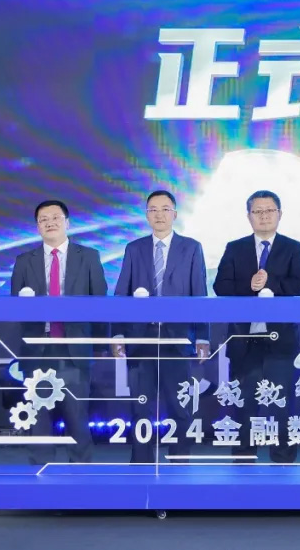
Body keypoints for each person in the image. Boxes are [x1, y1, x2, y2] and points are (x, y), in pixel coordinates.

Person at [113, 190, 210, 465]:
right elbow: (122, 293)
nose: (159, 215)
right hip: (141, 340)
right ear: (146, 215)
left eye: (165, 209)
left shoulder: (191, 248)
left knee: (179, 409)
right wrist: (118, 333)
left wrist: (203, 337)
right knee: (140, 409)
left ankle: (179, 466)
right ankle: (140, 469)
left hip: (176, 340)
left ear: (175, 214)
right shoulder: (134, 248)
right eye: (153, 209)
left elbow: (199, 294)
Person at [10, 200, 108, 465]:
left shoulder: (89, 257)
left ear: (67, 222)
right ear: (37, 227)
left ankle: (81, 474)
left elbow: (101, 303)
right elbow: (14, 307)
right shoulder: (24, 261)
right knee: (39, 418)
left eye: (55, 217)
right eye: (43, 219)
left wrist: (101, 344)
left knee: (77, 416)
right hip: (37, 349)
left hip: (73, 349)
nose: (49, 223)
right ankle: (40, 474)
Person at [213, 190, 300, 463]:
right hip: (245, 342)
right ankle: (243, 464)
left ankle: (283, 464)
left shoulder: (293, 247)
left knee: (281, 406)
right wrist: (249, 285)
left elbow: (299, 285)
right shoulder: (235, 248)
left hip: (280, 341)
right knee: (244, 406)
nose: (264, 216)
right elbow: (220, 286)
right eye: (258, 211)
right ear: (249, 216)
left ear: (279, 214)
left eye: (269, 211)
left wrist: (270, 284)